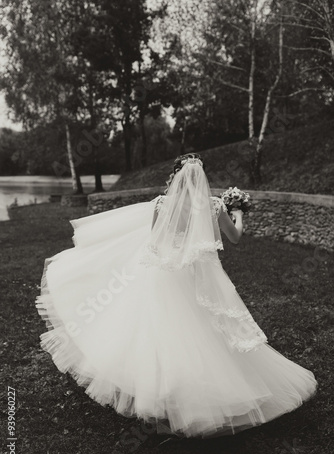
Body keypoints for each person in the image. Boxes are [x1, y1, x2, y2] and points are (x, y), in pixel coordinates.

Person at [36, 152, 317, 438]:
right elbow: (234, 238)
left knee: (161, 334)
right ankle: (212, 396)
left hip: (166, 275)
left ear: (176, 177)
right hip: (204, 278)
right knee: (211, 332)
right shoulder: (215, 206)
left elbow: (156, 242)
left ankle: (162, 398)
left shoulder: (161, 204)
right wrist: (239, 214)